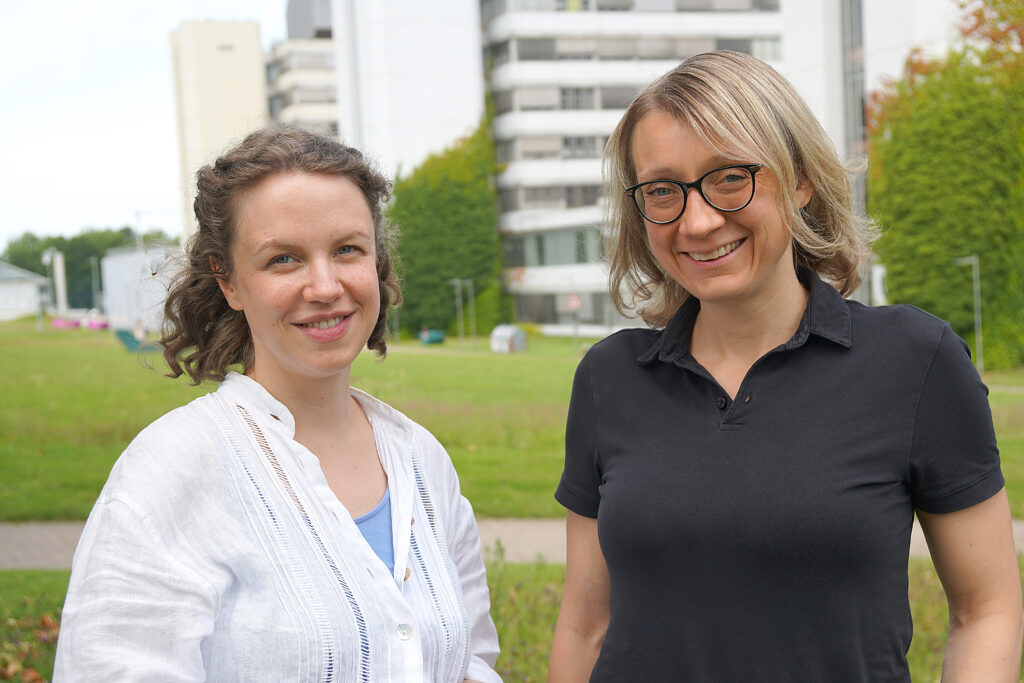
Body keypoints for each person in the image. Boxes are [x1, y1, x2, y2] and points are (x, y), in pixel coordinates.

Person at [549, 50, 1023, 682]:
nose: (697, 220)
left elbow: (986, 609)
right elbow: (586, 625)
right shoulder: (609, 377)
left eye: (729, 177)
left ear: (798, 178)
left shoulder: (916, 361)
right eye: (663, 190)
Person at [55, 127, 502, 683]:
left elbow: (471, 663)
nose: (324, 286)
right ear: (229, 282)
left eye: (347, 250)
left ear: (377, 264)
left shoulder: (423, 461)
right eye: (283, 259)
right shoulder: (172, 469)